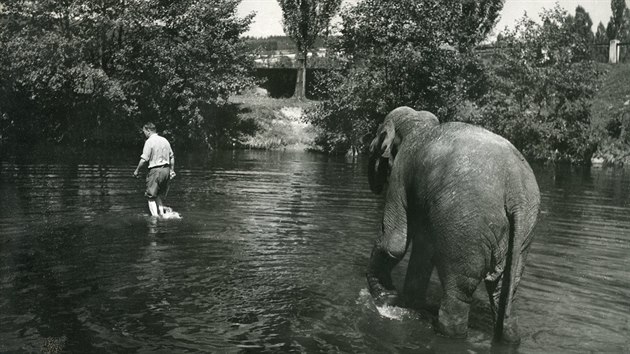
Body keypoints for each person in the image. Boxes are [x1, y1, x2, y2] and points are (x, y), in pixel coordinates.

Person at [133, 123, 176, 216]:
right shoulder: (165, 140)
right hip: (166, 170)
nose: (144, 134)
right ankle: (162, 215)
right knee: (157, 195)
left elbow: (144, 159)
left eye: (144, 131)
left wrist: (137, 170)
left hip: (155, 170)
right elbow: (172, 157)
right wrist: (172, 170)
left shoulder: (149, 141)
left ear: (148, 131)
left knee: (150, 196)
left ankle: (155, 218)